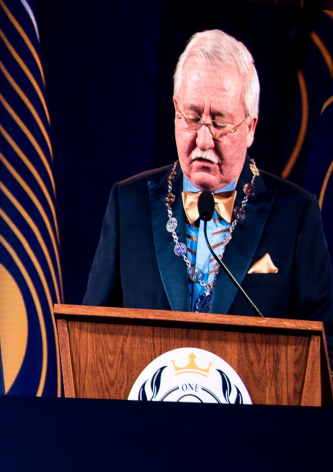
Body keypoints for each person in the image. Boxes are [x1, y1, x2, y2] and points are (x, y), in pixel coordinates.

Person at [84, 29, 333, 337]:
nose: (203, 140)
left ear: (250, 127)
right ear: (176, 111)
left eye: (219, 122)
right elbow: (90, 335)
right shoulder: (128, 205)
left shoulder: (296, 216)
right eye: (192, 117)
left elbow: (323, 345)